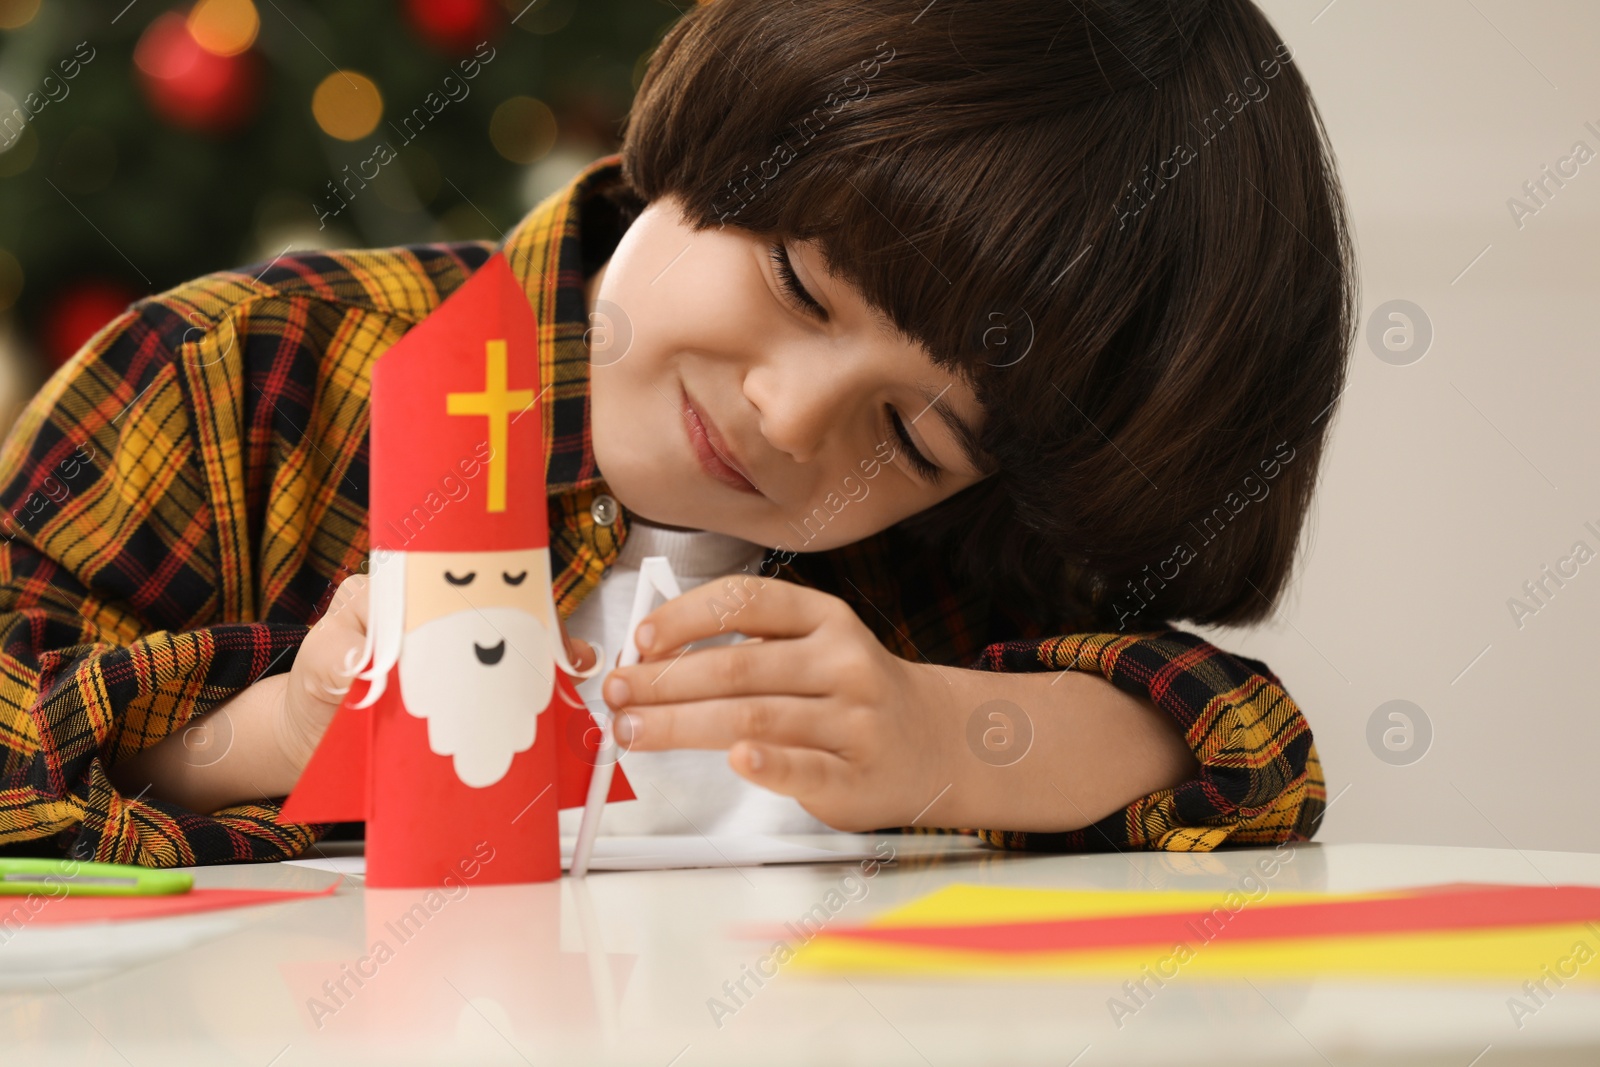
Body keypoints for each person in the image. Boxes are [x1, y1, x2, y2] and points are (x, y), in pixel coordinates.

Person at [0, 0, 1343, 866]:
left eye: (914, 437)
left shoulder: (939, 560)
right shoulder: (247, 376)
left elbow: (1244, 756)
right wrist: (281, 732)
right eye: (799, 287)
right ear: (718, 130)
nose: (788, 417)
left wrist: (943, 737)